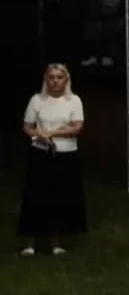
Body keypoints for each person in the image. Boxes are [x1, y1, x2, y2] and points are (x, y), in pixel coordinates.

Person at [18, 64, 86, 256]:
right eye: (52, 77)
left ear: (66, 80)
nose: (55, 81)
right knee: (35, 196)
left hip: (66, 154)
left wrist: (52, 133)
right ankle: (30, 243)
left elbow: (77, 127)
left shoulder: (74, 101)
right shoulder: (36, 100)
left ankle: (56, 243)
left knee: (60, 198)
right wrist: (39, 136)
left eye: (59, 77)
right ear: (46, 80)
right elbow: (28, 126)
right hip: (40, 153)